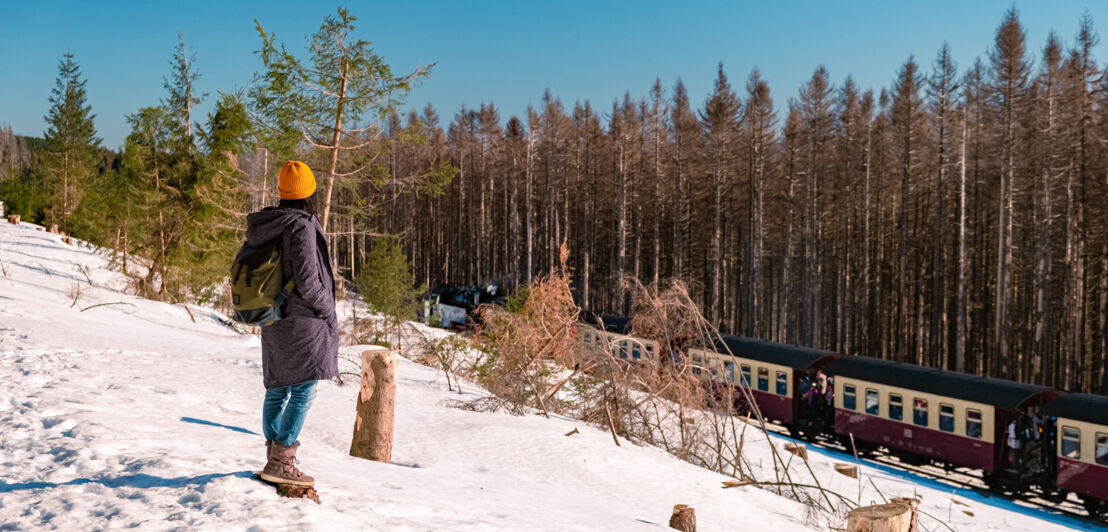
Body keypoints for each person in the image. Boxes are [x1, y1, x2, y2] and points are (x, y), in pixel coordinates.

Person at [245, 160, 338, 487]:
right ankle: (282, 460)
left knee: (278, 386)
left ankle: (274, 455)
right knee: (304, 387)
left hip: (273, 316)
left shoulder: (268, 222)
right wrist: (327, 310)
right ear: (309, 191)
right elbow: (309, 281)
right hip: (301, 320)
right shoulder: (300, 226)